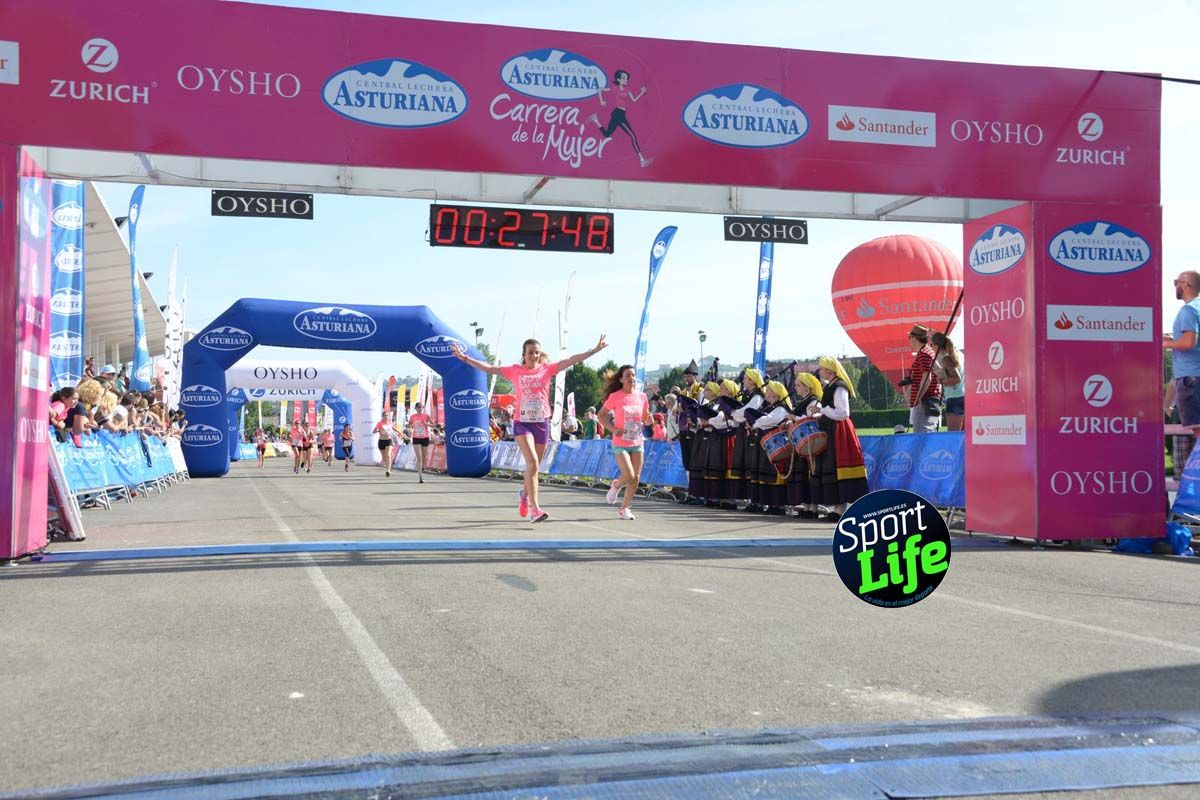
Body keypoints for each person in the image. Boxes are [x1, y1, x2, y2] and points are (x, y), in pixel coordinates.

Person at [453, 335, 607, 523]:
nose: (534, 356)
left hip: (541, 423)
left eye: (536, 352)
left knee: (534, 467)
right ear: (524, 355)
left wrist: (594, 350)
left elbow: (571, 360)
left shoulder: (547, 369)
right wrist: (465, 358)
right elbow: (490, 368)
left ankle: (524, 495)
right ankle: (536, 509)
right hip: (522, 423)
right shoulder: (514, 371)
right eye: (530, 353)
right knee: (532, 462)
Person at [811, 356, 869, 519]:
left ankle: (840, 509)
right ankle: (837, 507)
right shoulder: (831, 385)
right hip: (831, 428)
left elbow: (843, 412)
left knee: (838, 465)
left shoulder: (839, 387)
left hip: (839, 430)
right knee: (831, 466)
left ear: (830, 370)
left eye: (822, 368)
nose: (820, 371)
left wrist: (822, 410)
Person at [596, 365, 652, 520]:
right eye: (628, 375)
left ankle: (625, 508)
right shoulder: (615, 396)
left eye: (633, 375)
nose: (631, 378)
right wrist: (613, 429)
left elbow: (645, 417)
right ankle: (616, 485)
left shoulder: (642, 397)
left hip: (637, 440)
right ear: (621, 379)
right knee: (628, 475)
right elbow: (601, 415)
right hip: (620, 442)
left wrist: (648, 420)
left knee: (636, 477)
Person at [1166, 271, 1200, 460]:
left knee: (1197, 431)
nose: (1175, 287)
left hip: (1191, 378)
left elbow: (1188, 342)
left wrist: (1165, 343)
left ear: (1185, 284)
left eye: (1175, 282)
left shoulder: (1188, 310)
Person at [588, 69, 652, 167]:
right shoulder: (615, 88)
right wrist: (601, 101)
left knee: (607, 134)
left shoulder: (627, 89)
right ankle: (642, 160)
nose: (626, 80)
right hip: (618, 114)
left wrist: (642, 92)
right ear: (618, 79)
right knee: (632, 136)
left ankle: (596, 120)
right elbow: (600, 89)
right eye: (623, 78)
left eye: (626, 78)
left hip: (621, 114)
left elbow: (634, 100)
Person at [747, 380, 794, 514]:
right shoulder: (770, 408)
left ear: (775, 394)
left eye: (768, 391)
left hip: (776, 445)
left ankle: (777, 505)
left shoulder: (780, 408)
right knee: (764, 473)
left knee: (773, 473)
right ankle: (765, 502)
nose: (766, 393)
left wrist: (755, 423)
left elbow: (770, 420)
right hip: (766, 444)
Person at [787, 372, 824, 518]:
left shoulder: (813, 401)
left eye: (798, 385)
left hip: (811, 444)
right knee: (804, 475)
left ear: (807, 388)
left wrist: (793, 418)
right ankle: (807, 506)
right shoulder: (805, 402)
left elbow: (810, 419)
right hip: (803, 443)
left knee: (812, 474)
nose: (795, 388)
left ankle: (813, 507)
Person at [730, 369, 765, 510]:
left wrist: (736, 414)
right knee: (746, 463)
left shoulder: (757, 396)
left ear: (752, 380)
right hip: (744, 431)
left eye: (746, 378)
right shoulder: (748, 394)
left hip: (752, 432)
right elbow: (739, 414)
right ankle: (752, 499)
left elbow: (746, 412)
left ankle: (757, 501)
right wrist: (737, 415)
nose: (743, 381)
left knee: (752, 464)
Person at [900, 325, 942, 433]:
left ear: (914, 338)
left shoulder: (924, 354)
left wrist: (918, 397)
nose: (910, 341)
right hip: (927, 401)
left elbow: (927, 377)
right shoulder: (927, 351)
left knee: (921, 436)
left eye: (910, 338)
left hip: (924, 402)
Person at [931, 332, 964, 432]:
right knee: (959, 433)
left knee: (953, 433)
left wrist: (942, 381)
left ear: (937, 345)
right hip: (961, 396)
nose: (931, 348)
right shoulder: (956, 355)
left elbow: (956, 379)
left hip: (954, 399)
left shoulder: (946, 359)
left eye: (932, 345)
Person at [408, 402, 433, 484]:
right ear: (415, 408)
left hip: (425, 438)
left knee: (424, 458)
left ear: (423, 408)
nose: (419, 408)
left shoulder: (426, 416)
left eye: (421, 407)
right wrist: (409, 426)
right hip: (416, 438)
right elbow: (409, 424)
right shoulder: (412, 417)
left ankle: (421, 467)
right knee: (419, 457)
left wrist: (426, 424)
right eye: (418, 407)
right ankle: (420, 477)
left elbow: (434, 425)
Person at [373, 411, 397, 477]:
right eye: (385, 415)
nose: (386, 417)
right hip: (381, 441)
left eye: (387, 415)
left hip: (389, 440)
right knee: (384, 458)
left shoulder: (390, 423)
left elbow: (394, 429)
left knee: (388, 455)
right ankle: (387, 466)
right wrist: (379, 430)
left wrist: (401, 434)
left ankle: (388, 470)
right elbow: (374, 431)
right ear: (383, 417)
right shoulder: (379, 423)